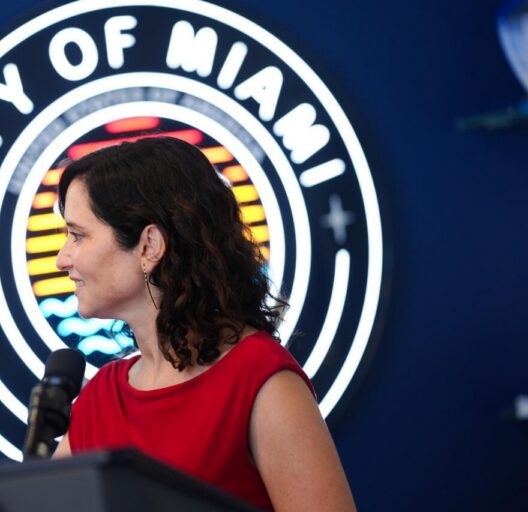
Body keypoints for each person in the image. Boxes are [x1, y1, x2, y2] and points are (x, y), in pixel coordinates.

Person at [52, 136, 355, 511]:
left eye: (77, 236)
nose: (62, 259)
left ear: (149, 246)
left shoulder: (259, 380)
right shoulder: (98, 398)